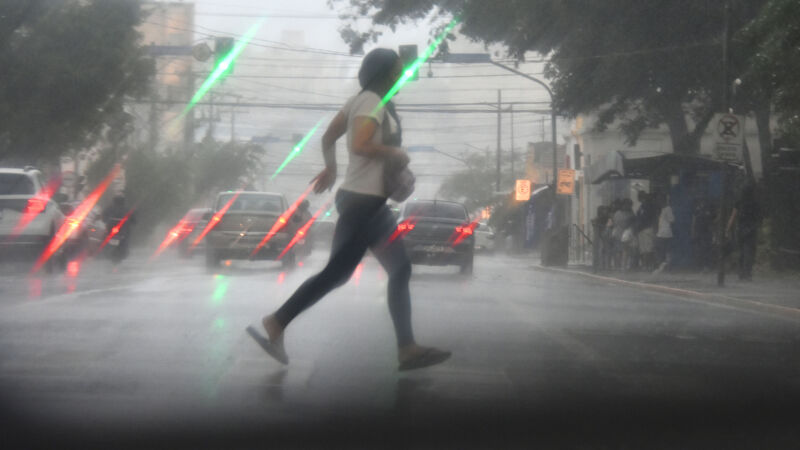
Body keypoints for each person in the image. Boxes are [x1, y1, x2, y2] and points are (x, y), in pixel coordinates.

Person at [247, 48, 451, 371]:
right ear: (384, 73)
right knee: (358, 272)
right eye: (398, 71)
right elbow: (360, 145)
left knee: (360, 272)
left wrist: (331, 168)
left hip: (366, 202)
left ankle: (280, 321)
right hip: (363, 202)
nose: (402, 76)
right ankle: (278, 322)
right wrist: (396, 154)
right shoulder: (371, 102)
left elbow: (328, 138)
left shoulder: (361, 100)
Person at [726, 183, 761, 280]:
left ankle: (741, 272)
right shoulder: (755, 203)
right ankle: (747, 272)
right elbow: (758, 218)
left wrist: (728, 228)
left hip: (741, 229)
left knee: (741, 251)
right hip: (752, 229)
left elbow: (733, 216)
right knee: (750, 251)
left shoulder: (739, 202)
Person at [635, 192, 658, 271]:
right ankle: (646, 265)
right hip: (642, 229)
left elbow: (645, 218)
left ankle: (648, 265)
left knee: (648, 248)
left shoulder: (648, 206)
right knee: (644, 249)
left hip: (647, 228)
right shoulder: (642, 206)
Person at [654, 193, 674, 273]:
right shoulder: (662, 209)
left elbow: (671, 220)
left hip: (666, 233)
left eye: (659, 200)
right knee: (661, 250)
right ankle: (663, 266)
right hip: (661, 233)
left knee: (666, 250)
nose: (658, 201)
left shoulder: (668, 209)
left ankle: (667, 266)